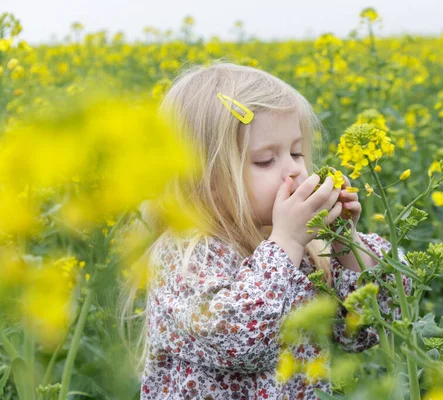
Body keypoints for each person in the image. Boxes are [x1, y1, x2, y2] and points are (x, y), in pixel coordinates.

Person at [133, 61, 412, 399]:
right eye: (266, 160)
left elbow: (365, 330)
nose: (294, 170)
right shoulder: (183, 255)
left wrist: (346, 244)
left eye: (296, 152)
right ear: (201, 176)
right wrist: (287, 242)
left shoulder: (301, 251)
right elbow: (238, 343)